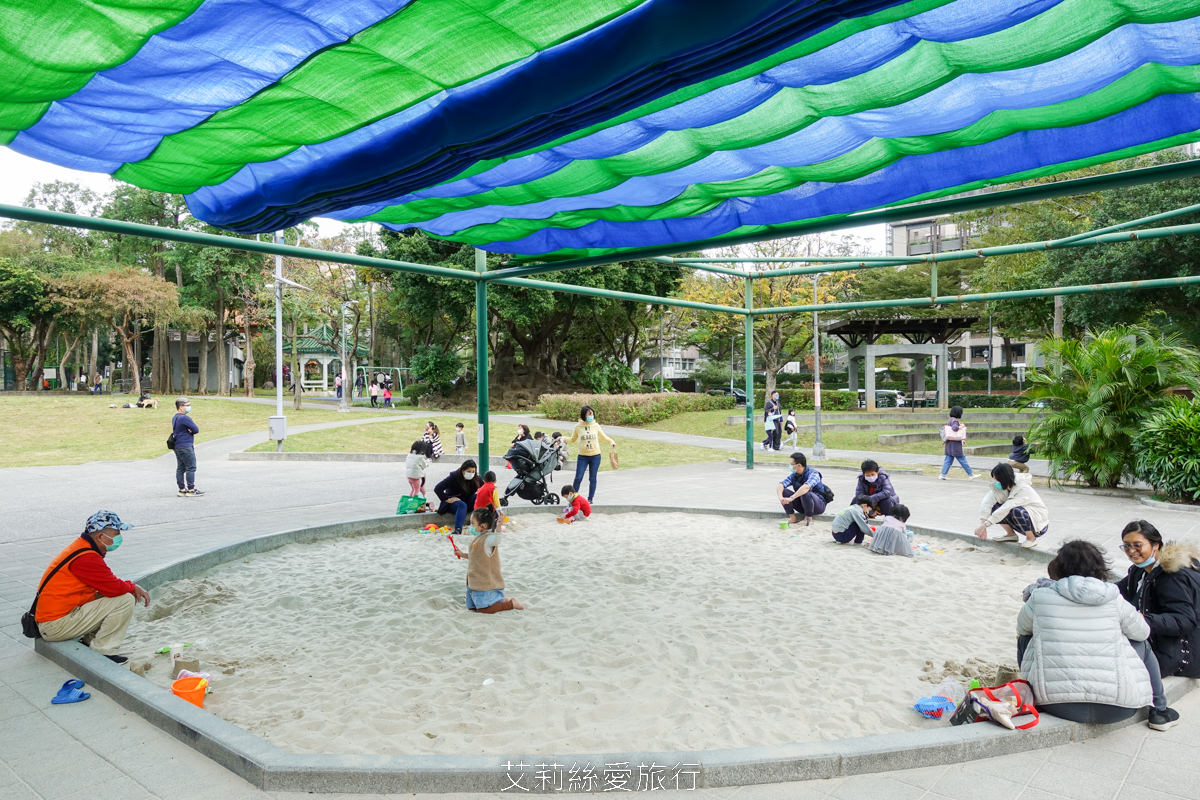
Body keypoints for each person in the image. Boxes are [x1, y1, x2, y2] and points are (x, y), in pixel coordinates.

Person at [1017, 540, 1171, 727]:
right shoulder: (1114, 598)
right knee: (1141, 643)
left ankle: (1029, 693)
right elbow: (1143, 632)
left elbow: (1022, 629)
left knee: (1027, 637)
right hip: (1119, 707)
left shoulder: (1040, 597)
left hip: (1055, 704)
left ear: (1058, 566)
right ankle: (1160, 711)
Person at [34, 510, 151, 664]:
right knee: (124, 600)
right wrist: (133, 587)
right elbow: (114, 587)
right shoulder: (86, 557)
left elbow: (108, 585)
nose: (119, 538)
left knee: (114, 596)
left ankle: (90, 641)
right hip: (54, 626)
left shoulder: (82, 548)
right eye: (116, 534)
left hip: (56, 618)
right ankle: (103, 651)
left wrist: (129, 586)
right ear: (101, 537)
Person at [1117, 520, 1200, 693]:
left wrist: (1143, 619)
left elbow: (1184, 620)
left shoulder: (1172, 576)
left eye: (1137, 545)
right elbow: (1118, 590)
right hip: (1159, 641)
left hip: (1181, 652)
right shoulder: (1140, 570)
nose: (1131, 551)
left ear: (1156, 545)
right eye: (1126, 546)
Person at [973, 463, 1048, 549]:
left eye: (997, 480)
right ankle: (1011, 535)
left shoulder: (1022, 488)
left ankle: (1031, 538)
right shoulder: (1004, 487)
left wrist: (984, 525)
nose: (996, 483)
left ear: (1004, 479)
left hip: (1038, 526)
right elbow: (987, 502)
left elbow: (1006, 507)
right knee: (995, 507)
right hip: (1023, 523)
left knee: (1016, 510)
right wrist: (982, 524)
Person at [464, 506, 524, 613]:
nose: (470, 526)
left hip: (485, 583)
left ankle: (511, 604)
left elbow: (497, 539)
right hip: (474, 582)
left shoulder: (488, 539)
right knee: (471, 607)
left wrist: (499, 526)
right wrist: (462, 554)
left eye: (473, 523)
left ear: (483, 526)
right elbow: (475, 555)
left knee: (483, 610)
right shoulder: (478, 538)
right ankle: (502, 600)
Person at [567, 405, 617, 503]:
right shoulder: (578, 427)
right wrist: (563, 439)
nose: (591, 415)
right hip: (583, 457)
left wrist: (611, 441)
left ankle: (590, 499)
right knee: (578, 477)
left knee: (592, 478)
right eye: (589, 414)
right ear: (584, 415)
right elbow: (573, 439)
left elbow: (604, 437)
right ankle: (572, 499)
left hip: (595, 456)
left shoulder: (596, 426)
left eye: (592, 414)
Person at [776, 451, 828, 525]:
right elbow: (780, 485)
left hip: (817, 505)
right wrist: (781, 498)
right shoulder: (794, 475)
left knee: (805, 492)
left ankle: (808, 519)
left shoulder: (814, 474)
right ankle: (792, 518)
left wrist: (791, 498)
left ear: (799, 465)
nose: (790, 466)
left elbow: (806, 487)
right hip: (803, 504)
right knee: (784, 491)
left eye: (792, 464)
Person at [434, 459, 483, 534]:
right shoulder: (454, 477)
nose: (471, 473)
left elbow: (485, 489)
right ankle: (458, 529)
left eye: (473, 471)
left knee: (478, 497)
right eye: (469, 471)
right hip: (454, 503)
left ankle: (482, 524)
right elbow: (437, 488)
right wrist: (447, 499)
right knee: (462, 505)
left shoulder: (476, 478)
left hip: (468, 501)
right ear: (463, 470)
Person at [172, 397, 203, 497]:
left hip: (177, 445)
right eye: (187, 405)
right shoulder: (184, 418)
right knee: (191, 467)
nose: (189, 407)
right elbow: (196, 429)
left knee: (181, 467)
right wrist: (191, 431)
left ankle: (181, 489)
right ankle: (191, 489)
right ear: (181, 407)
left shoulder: (175, 417)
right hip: (186, 445)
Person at [938, 406, 977, 480]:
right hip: (955, 446)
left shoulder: (950, 420)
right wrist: (961, 427)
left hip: (949, 444)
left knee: (948, 460)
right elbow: (955, 429)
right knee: (962, 459)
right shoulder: (955, 421)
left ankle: (942, 475)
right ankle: (971, 474)